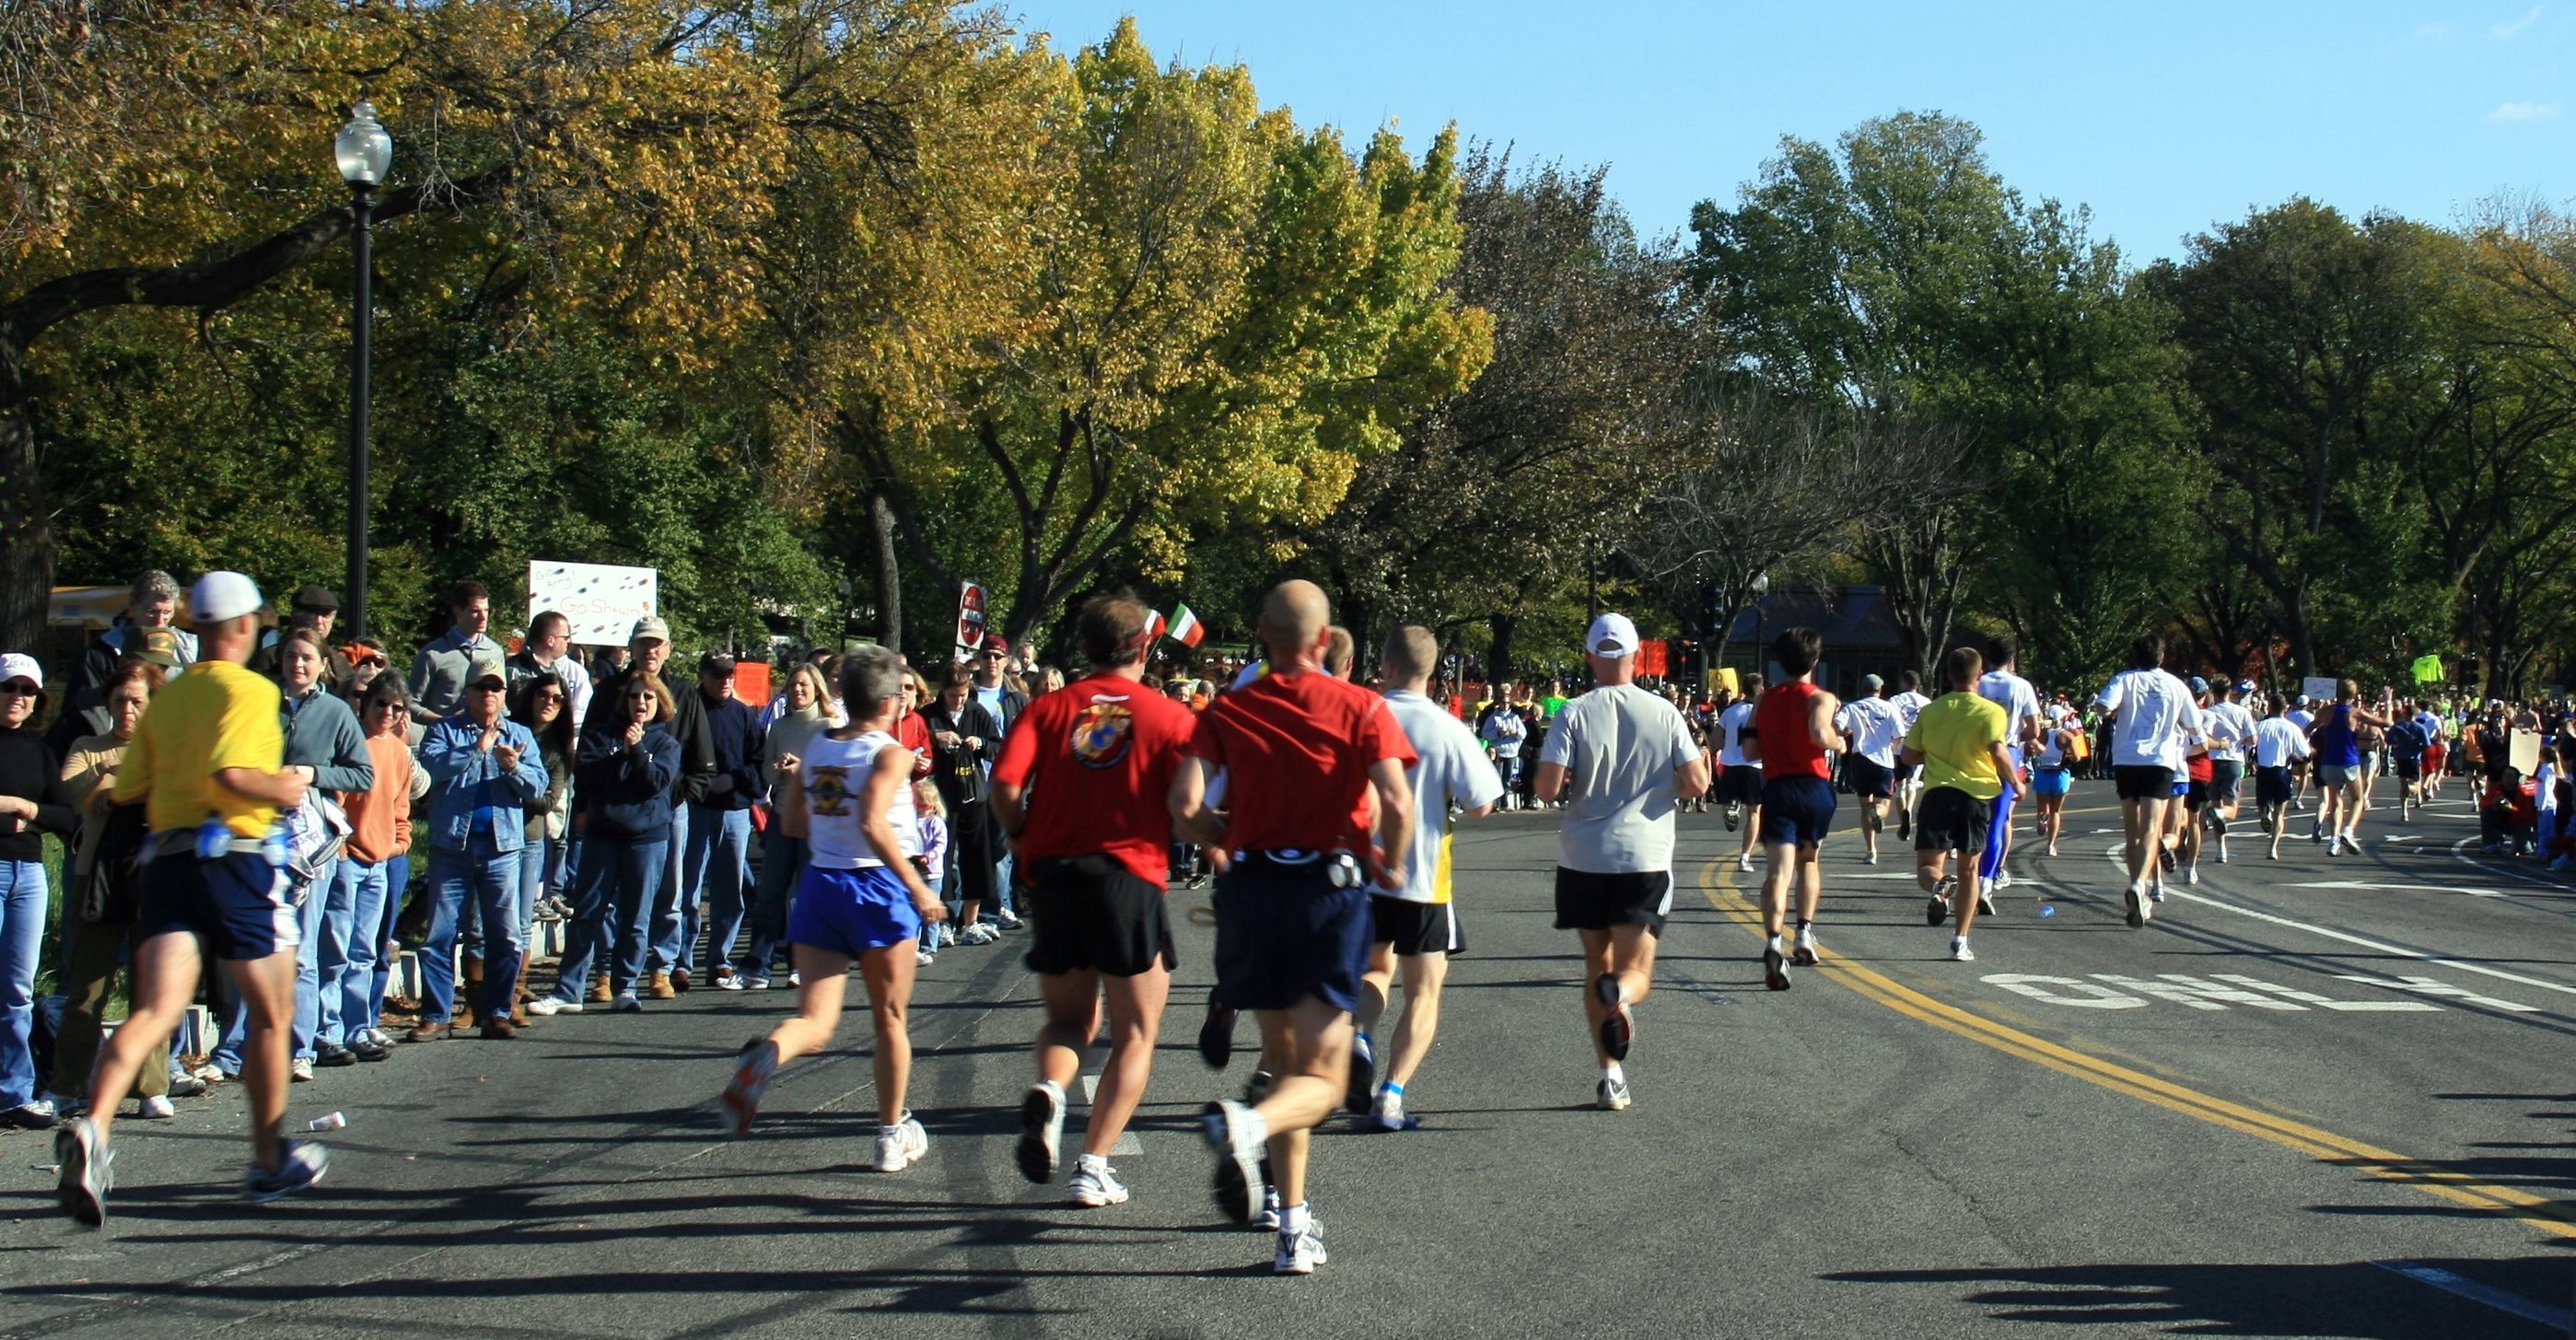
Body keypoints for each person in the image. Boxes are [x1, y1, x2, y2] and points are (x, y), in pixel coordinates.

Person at [61, 572, 327, 1227]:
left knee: (154, 1008)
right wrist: (284, 786)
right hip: (235, 857)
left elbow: (130, 785)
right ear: (237, 626)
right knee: (272, 1011)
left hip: (168, 861)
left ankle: (92, 1127)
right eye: (257, 622)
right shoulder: (250, 689)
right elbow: (231, 774)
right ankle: (268, 1159)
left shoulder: (171, 697)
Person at [1175, 581, 1416, 1274]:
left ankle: (1291, 1226)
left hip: (1250, 890)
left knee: (1284, 1065)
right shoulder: (1359, 705)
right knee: (1325, 1075)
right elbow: (1395, 800)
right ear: (1324, 638)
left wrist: (1228, 835)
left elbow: (1183, 804)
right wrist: (1390, 864)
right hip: (1325, 892)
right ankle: (1245, 1125)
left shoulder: (1229, 707)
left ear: (1260, 633)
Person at [989, 594, 1199, 1207]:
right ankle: (1093, 1161)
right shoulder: (1167, 715)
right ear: (1143, 648)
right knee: (1137, 1030)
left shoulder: (1048, 707)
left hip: (1055, 875)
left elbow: (1004, 783)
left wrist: (1017, 830)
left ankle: (1051, 1090)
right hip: (1126, 876)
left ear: (1084, 648)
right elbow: (1187, 808)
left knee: (1068, 1019)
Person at [718, 647, 947, 1175]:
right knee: (890, 1019)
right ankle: (890, 1135)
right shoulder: (890, 754)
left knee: (814, 1021)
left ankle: (766, 1057)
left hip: (822, 883)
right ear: (891, 702)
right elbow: (873, 821)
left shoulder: (819, 746)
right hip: (877, 886)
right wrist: (918, 886)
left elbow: (792, 822)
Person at [1534, 612, 1708, 1104]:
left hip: (1583, 857)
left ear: (1591, 656)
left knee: (1597, 964)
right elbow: (1698, 782)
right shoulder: (1664, 712)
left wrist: (1574, 782)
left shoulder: (1573, 712)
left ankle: (1611, 1075)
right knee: (1633, 972)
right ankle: (1623, 998)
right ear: (1635, 657)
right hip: (1644, 856)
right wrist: (1661, 789)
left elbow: (1547, 790)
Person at [1351, 626, 1501, 1132]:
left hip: (1363, 871)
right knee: (1424, 991)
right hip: (1422, 875)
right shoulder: (1446, 727)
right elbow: (1482, 803)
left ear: (1385, 667)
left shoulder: (1361, 714)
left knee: (1375, 970)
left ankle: (1358, 1037)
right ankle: (1391, 1094)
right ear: (1431, 673)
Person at [48, 664, 180, 1118]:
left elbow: (173, 792)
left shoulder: (165, 749)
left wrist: (115, 786)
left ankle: (152, 1087)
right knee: (87, 988)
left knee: (152, 987)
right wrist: (112, 769)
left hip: (153, 875)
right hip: (96, 877)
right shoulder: (88, 747)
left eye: (137, 701)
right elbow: (68, 791)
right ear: (108, 704)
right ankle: (66, 1086)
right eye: (120, 700)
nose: (127, 709)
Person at [412, 653, 550, 1041]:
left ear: (504, 694)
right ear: (467, 692)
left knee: (505, 935)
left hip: (502, 849)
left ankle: (498, 1012)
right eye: (482, 687)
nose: (489, 693)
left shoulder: (519, 736)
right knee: (439, 935)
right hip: (451, 846)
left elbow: (538, 788)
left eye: (496, 688)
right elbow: (432, 769)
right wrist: (476, 749)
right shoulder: (445, 731)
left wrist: (513, 768)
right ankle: (436, 1013)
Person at [534, 675, 680, 1014]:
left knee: (636, 917)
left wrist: (638, 752)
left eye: (648, 697)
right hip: (602, 836)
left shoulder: (666, 744)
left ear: (660, 704)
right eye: (634, 696)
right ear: (624, 701)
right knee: (588, 914)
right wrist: (623, 758)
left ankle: (625, 987)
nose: (640, 703)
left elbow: (655, 782)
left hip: (647, 840)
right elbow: (589, 776)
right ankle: (569, 990)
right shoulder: (601, 735)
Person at [269, 631, 374, 1075]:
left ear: (324, 665)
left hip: (312, 841)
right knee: (253, 946)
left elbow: (362, 774)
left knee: (303, 947)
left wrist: (311, 773)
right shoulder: (261, 705)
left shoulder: (335, 711)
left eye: (307, 657)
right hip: (258, 833)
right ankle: (236, 1051)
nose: (298, 663)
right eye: (291, 655)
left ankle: (300, 1049)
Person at [592, 617, 716, 995]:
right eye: (643, 643)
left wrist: (681, 794)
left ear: (667, 649)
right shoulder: (611, 689)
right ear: (631, 648)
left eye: (656, 644)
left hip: (667, 808)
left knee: (669, 890)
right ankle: (606, 969)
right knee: (611, 894)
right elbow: (590, 749)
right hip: (616, 805)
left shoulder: (684, 693)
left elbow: (702, 757)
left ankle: (661, 965)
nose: (650, 651)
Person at [0, 653, 79, 1128]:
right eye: (10, 688)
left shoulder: (40, 751)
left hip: (28, 874)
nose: (19, 698)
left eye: (28, 691)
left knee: (16, 990)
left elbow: (68, 817)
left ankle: (14, 1092)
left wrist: (22, 806)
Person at [319, 677, 414, 1061]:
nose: (387, 713)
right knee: (335, 950)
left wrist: (399, 844)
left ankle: (358, 1026)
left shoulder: (398, 751)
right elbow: (336, 803)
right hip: (347, 860)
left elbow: (401, 807)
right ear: (365, 704)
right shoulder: (351, 743)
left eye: (395, 707)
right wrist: (341, 847)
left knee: (363, 951)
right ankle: (327, 1030)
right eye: (380, 704)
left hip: (379, 863)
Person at [1906, 647, 2022, 961]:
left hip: (1939, 793)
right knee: (1970, 869)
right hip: (1977, 796)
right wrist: (2015, 782)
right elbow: (1998, 750)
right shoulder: (1992, 712)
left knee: (1927, 867)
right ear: (1979, 676)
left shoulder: (1931, 711)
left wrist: (1932, 753)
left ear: (1949, 675)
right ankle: (1961, 940)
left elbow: (1908, 755)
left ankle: (1939, 886)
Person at [1743, 629, 1846, 987]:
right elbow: (1820, 735)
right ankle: (1803, 933)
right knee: (1810, 862)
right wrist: (1839, 743)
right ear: (1815, 661)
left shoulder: (1764, 700)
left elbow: (1750, 752)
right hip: (1814, 787)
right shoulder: (1820, 697)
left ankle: (1774, 940)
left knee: (1777, 873)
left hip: (1778, 788)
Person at [735, 661, 834, 988]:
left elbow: (836, 776)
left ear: (817, 688)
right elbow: (766, 773)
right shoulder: (780, 727)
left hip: (816, 819)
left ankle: (801, 962)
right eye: (793, 686)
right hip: (782, 813)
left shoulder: (831, 725)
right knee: (770, 891)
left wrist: (802, 768)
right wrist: (778, 769)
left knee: (807, 893)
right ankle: (757, 965)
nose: (798, 691)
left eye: (804, 685)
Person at [2096, 635, 2199, 927]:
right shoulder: (2176, 685)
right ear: (2162, 656)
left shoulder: (2124, 679)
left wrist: (2112, 712)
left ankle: (2135, 885)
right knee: (2151, 830)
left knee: (2132, 832)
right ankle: (2140, 884)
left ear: (2134, 656)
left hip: (2127, 758)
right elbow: (2193, 724)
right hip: (2159, 760)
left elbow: (2103, 706)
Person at [682, 652, 763, 987]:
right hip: (695, 808)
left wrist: (736, 779)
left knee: (730, 890)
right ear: (703, 676)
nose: (725, 681)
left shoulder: (744, 715)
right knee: (688, 888)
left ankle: (719, 959)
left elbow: (759, 762)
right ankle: (681, 960)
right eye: (717, 675)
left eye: (730, 675)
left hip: (734, 810)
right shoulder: (689, 709)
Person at [505, 673, 577, 1024]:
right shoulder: (506, 731)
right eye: (544, 695)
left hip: (529, 838)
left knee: (519, 921)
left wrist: (514, 775)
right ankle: (485, 997)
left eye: (558, 699)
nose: (549, 702)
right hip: (491, 837)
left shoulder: (558, 750)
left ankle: (514, 993)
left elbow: (548, 801)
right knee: (484, 921)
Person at [919, 663, 1004, 945]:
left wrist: (979, 743)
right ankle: (944, 921)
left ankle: (971, 920)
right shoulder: (929, 715)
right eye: (954, 695)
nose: (959, 701)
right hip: (940, 795)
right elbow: (914, 744)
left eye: (963, 695)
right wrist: (935, 738)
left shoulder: (976, 712)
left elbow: (998, 746)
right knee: (942, 859)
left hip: (972, 792)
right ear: (942, 692)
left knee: (976, 856)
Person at [1974, 637, 2044, 898]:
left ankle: (1972, 874)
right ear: (2012, 660)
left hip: (1977, 751)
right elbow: (2034, 729)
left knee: (1976, 815)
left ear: (1988, 657)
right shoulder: (2022, 685)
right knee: (1998, 818)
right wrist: (2013, 736)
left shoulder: (1979, 683)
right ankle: (1987, 880)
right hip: (2009, 751)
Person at [2310, 681, 2391, 857]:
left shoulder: (2325, 711)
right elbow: (2387, 722)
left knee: (2335, 802)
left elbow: (2308, 728)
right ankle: (2348, 831)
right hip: (2348, 761)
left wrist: (2308, 747)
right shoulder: (2355, 713)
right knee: (2358, 799)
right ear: (2354, 696)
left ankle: (2333, 840)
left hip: (2328, 762)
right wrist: (2388, 701)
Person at [408, 580, 502, 725]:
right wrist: (444, 722)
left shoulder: (495, 652)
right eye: (475, 611)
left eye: (486, 610)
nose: (483, 617)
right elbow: (410, 704)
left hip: (487, 736)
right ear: (458, 611)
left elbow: (502, 702)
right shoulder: (433, 655)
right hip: (445, 740)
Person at [1835, 674, 1905, 865]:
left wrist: (1844, 733)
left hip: (1861, 760)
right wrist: (1892, 749)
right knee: (1884, 805)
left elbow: (1837, 725)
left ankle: (1871, 850)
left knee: (1864, 806)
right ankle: (1878, 812)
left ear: (1862, 689)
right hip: (1883, 761)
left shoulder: (1853, 707)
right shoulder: (1890, 707)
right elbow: (1900, 734)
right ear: (1880, 689)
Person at [2200, 680, 2257, 864]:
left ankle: (2221, 850)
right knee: (2230, 808)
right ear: (2230, 692)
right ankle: (2218, 817)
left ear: (2214, 693)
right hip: (2233, 760)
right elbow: (2252, 739)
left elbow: (2203, 737)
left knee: (2215, 802)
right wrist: (2241, 741)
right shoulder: (2242, 712)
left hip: (2212, 760)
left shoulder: (2209, 713)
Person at [507, 611, 594, 730]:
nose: (569, 641)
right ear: (550, 640)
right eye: (566, 637)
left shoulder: (576, 672)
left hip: (558, 741)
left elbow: (581, 712)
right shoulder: (512, 670)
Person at [2252, 695, 2314, 860]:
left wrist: (2253, 760)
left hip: (2263, 769)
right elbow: (2305, 752)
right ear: (2285, 708)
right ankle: (2272, 847)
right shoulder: (2292, 728)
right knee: (2280, 812)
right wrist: (2298, 758)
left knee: (2262, 800)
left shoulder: (2261, 726)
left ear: (2270, 707)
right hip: (2282, 770)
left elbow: (2251, 746)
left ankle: (2264, 813)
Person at [1716, 672, 1764, 870]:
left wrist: (1724, 747)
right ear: (1760, 690)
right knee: (1754, 813)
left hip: (1730, 764)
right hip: (1754, 766)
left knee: (1729, 797)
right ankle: (1745, 857)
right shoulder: (1763, 713)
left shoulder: (1730, 712)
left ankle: (1731, 806)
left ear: (1742, 690)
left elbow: (1715, 738)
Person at [247, 585, 342, 682]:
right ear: (295, 616)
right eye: (311, 614)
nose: (319, 621)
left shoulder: (339, 663)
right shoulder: (269, 658)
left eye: (326, 614)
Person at [1887, 670, 1931, 840]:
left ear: (1904, 683)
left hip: (1899, 746)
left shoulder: (1894, 701)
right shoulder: (1926, 702)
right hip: (1917, 745)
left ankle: (1902, 818)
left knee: (1899, 785)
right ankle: (1909, 809)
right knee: (1912, 783)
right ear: (1918, 685)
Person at [1479, 695, 1528, 810]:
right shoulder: (1493, 717)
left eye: (1507, 703)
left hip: (1511, 751)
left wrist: (1515, 732)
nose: (1505, 705)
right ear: (1499, 703)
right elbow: (1485, 733)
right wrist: (1497, 733)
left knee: (1507, 779)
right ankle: (1495, 803)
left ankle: (1504, 802)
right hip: (1498, 751)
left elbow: (1523, 733)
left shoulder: (1514, 717)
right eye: (1503, 703)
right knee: (1497, 777)